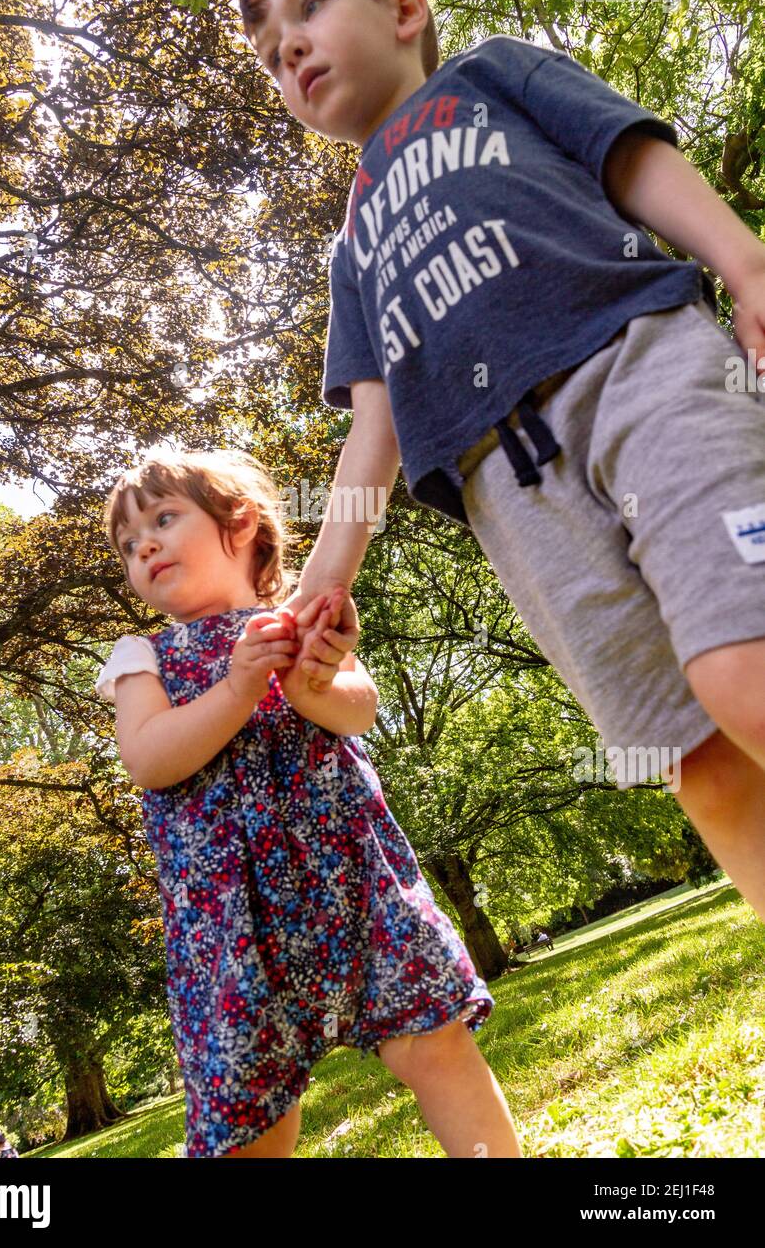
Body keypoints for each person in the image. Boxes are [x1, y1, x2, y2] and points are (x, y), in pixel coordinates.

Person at [237, 0, 765, 928]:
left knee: (742, 668)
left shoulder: (491, 76)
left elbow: (631, 159)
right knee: (693, 761)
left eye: (311, 5)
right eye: (271, 56)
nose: (291, 50)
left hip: (632, 371)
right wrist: (322, 582)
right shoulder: (351, 249)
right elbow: (372, 425)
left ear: (403, 7)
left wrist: (742, 265)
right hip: (510, 494)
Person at [95, 450, 520, 1159]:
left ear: (241, 523)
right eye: (129, 544)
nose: (144, 546)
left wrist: (306, 676)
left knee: (433, 1040)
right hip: (229, 916)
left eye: (164, 519)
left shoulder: (301, 620)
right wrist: (235, 690)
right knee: (250, 1121)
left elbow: (358, 713)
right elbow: (148, 758)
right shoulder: (142, 656)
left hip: (350, 881)